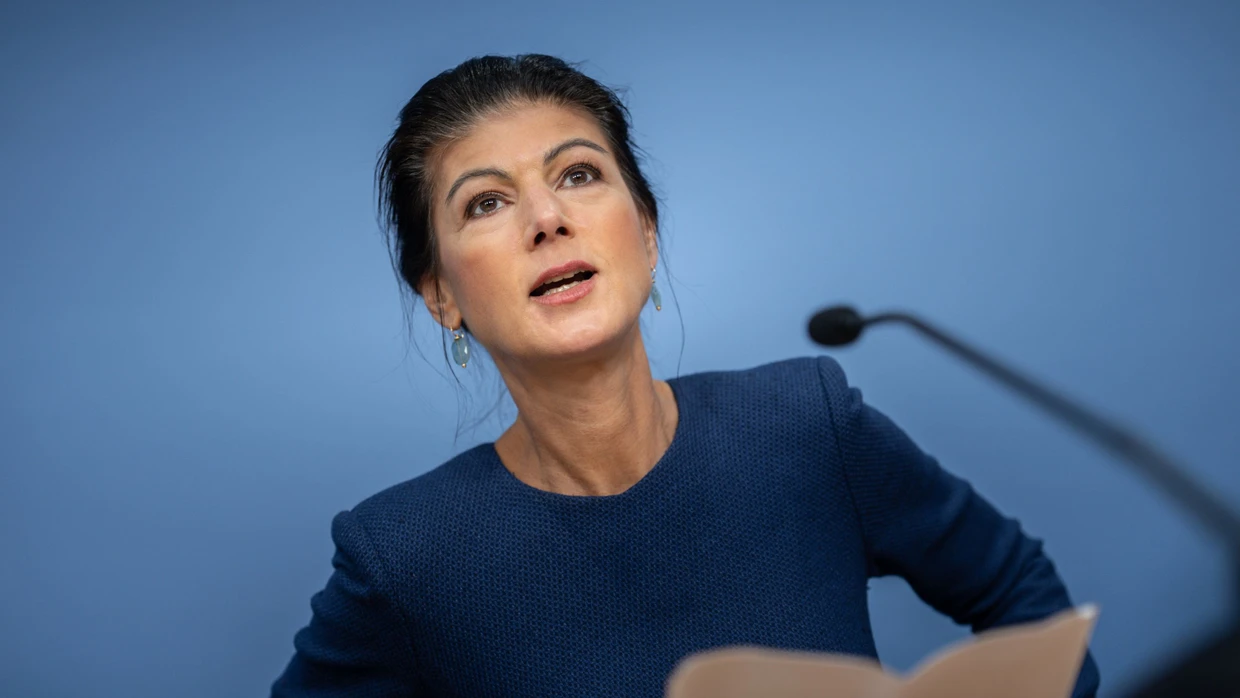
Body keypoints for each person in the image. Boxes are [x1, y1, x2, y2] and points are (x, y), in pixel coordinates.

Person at [271, 54, 1100, 698]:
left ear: (648, 231)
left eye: (579, 175)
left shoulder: (807, 425)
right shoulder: (408, 557)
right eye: (485, 202)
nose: (547, 219)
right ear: (443, 295)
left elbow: (1023, 593)